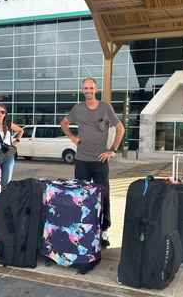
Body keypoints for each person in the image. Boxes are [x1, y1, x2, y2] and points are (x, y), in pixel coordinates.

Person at [60, 77, 125, 247]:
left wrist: (113, 150)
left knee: (103, 195)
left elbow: (120, 128)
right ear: (82, 91)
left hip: (100, 160)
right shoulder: (78, 108)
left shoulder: (105, 107)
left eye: (91, 88)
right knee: (80, 196)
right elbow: (64, 123)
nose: (88, 91)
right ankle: (82, 228)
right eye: (85, 88)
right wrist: (72, 137)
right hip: (81, 159)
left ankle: (103, 230)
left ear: (96, 89)